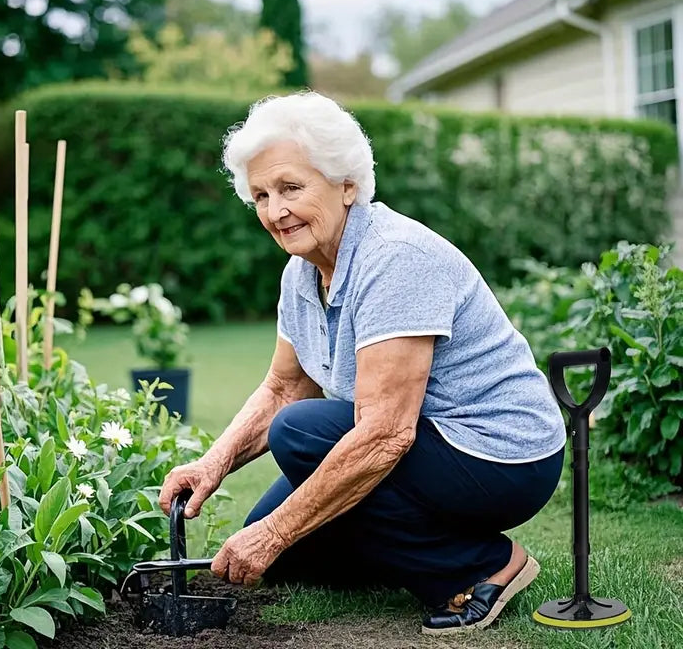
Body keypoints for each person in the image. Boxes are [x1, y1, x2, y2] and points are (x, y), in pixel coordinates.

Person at [159, 92, 566, 635]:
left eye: (291, 188)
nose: (275, 210)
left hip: (500, 455)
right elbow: (284, 387)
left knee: (301, 437)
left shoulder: (395, 258)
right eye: (260, 195)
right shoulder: (302, 272)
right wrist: (212, 465)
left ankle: (482, 566)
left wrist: (278, 531)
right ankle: (416, 551)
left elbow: (384, 434)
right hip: (432, 447)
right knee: (286, 551)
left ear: (347, 184)